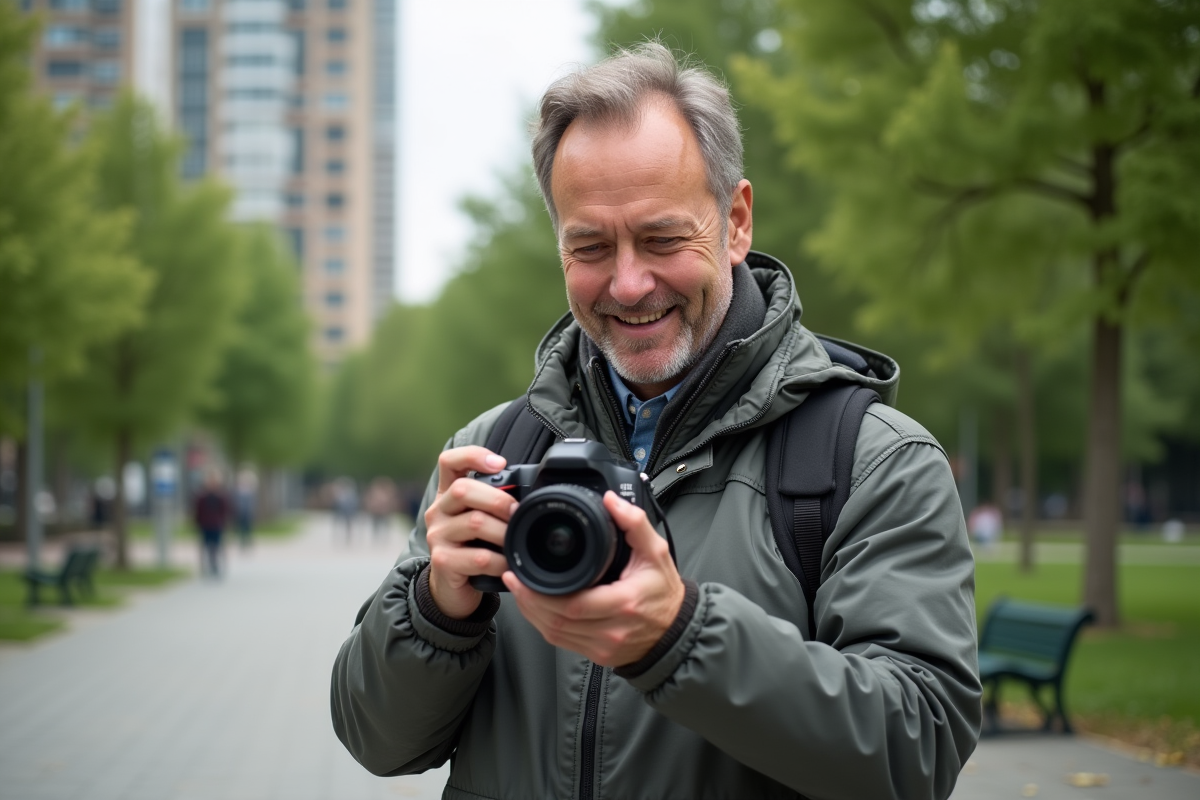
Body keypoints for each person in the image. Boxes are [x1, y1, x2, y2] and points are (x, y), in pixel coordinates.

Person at [331, 43, 981, 800]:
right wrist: (435, 607)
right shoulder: (490, 452)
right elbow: (377, 741)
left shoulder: (872, 461)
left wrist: (681, 636)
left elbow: (918, 751)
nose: (629, 283)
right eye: (590, 246)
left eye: (663, 239)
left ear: (735, 222)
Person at [192, 469, 230, 578]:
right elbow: (198, 511)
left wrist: (224, 523)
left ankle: (215, 565)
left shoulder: (221, 496)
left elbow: (225, 511)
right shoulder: (202, 497)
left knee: (216, 546)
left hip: (217, 525)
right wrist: (197, 523)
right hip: (205, 525)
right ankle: (205, 566)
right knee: (205, 546)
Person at [234, 466, 258, 549]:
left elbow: (253, 503)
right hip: (240, 512)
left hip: (248, 512)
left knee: (248, 527)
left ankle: (248, 541)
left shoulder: (250, 491)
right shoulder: (238, 491)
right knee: (241, 528)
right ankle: (242, 541)